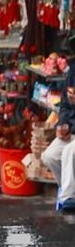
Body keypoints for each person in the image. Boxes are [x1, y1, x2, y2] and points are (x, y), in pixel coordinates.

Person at [41, 62, 75, 212]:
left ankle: (69, 197)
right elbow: (64, 106)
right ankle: (69, 188)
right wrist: (62, 125)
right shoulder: (73, 72)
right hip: (73, 129)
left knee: (69, 151)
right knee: (49, 156)